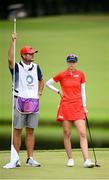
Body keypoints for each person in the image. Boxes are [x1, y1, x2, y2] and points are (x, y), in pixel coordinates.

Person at [46, 54, 94, 168]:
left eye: (73, 62)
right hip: (66, 106)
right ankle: (70, 159)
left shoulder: (81, 74)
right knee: (67, 133)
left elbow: (83, 91)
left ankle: (86, 160)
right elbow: (48, 83)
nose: (71, 64)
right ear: (67, 63)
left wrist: (84, 106)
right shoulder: (62, 75)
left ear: (76, 63)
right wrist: (58, 92)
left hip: (78, 106)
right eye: (70, 62)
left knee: (82, 133)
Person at [8, 33, 44, 167]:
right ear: (23, 55)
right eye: (30, 53)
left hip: (33, 103)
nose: (33, 55)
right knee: (17, 130)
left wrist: (39, 92)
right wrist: (13, 41)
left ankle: (30, 159)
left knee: (31, 130)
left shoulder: (36, 67)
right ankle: (15, 159)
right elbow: (10, 59)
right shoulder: (17, 67)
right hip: (20, 101)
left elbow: (41, 80)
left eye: (33, 53)